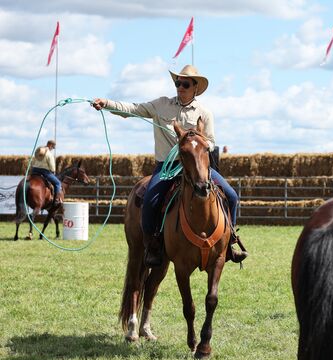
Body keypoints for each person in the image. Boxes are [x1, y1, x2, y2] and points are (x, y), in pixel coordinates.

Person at [92, 64, 247, 267]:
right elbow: (133, 109)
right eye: (177, 83)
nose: (180, 87)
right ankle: (152, 246)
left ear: (195, 87)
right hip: (166, 167)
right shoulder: (161, 105)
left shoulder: (205, 113)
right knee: (150, 200)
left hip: (197, 167)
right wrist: (107, 103)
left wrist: (198, 143)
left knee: (232, 196)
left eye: (185, 84)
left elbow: (211, 141)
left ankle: (229, 242)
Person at [31, 139, 62, 206]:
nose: (52, 149)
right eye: (53, 147)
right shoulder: (49, 154)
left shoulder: (38, 151)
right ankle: (56, 200)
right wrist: (53, 172)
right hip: (44, 171)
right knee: (58, 183)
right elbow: (52, 167)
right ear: (50, 145)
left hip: (34, 170)